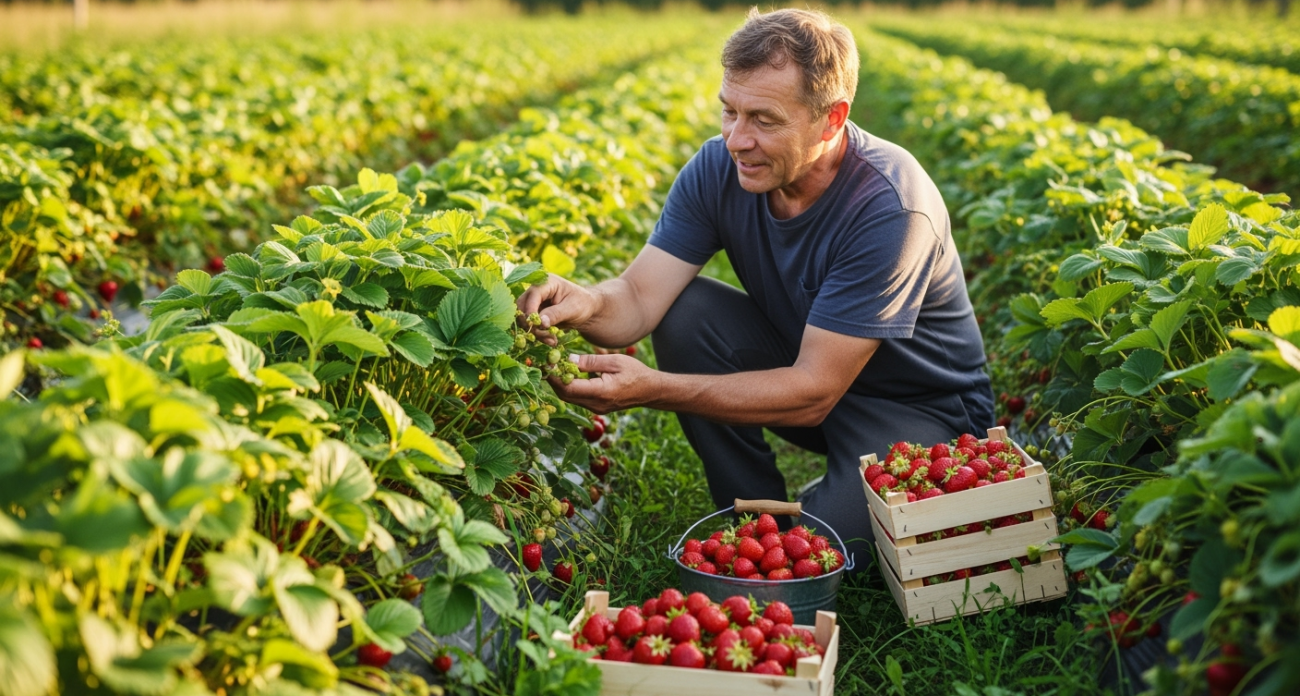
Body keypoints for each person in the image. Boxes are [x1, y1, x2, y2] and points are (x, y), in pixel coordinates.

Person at [517, 7, 993, 566]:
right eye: (729, 111)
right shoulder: (719, 169)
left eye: (764, 120)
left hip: (920, 412)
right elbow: (641, 298)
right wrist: (586, 300)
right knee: (684, 311)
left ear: (831, 119)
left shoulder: (889, 205)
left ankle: (812, 514)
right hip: (809, 371)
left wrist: (656, 388)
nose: (737, 139)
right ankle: (746, 513)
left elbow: (814, 393)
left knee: (817, 552)